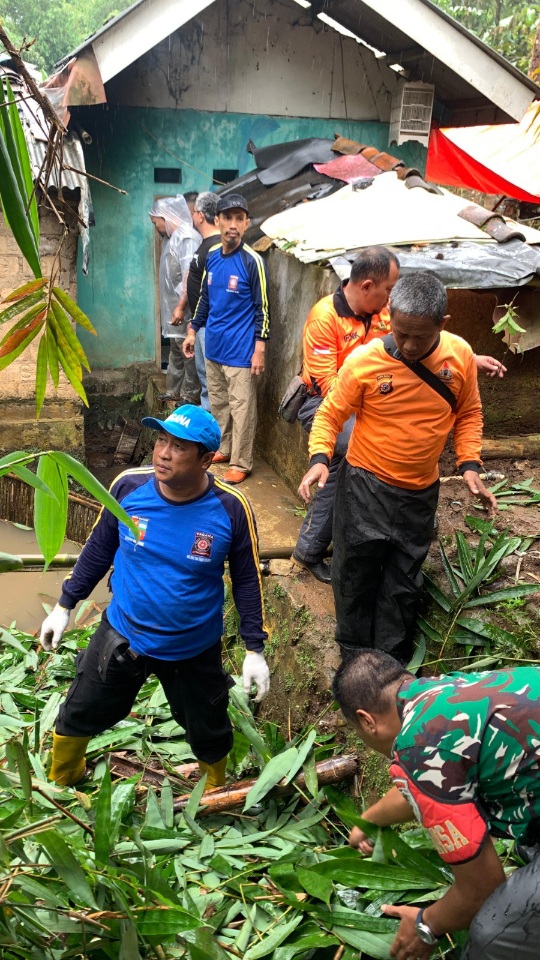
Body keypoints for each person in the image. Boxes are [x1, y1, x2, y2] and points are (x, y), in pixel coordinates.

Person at [39, 405, 270, 790]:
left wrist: (254, 649)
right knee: (79, 712)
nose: (163, 452)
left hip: (193, 646)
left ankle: (213, 790)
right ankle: (63, 779)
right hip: (124, 635)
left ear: (206, 459)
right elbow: (98, 548)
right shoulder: (129, 487)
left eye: (179, 447)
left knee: (209, 729)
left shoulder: (231, 508)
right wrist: (65, 605)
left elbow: (247, 580)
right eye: (161, 439)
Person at [299, 273, 497, 663]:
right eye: (401, 333)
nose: (407, 345)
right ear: (392, 318)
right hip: (363, 487)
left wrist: (469, 463)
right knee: (355, 573)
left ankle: (391, 660)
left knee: (403, 579)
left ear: (443, 323)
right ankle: (354, 656)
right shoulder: (367, 361)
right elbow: (330, 414)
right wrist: (320, 458)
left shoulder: (458, 357)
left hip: (419, 493)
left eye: (419, 337)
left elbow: (469, 412)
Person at [332, 650, 540, 960]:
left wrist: (426, 925)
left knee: (492, 933)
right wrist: (369, 821)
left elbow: (481, 888)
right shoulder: (448, 691)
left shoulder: (419, 747)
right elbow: (425, 785)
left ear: (366, 720)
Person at [292, 247, 400, 584]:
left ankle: (312, 550)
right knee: (365, 452)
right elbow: (328, 386)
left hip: (363, 403)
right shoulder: (325, 317)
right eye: (389, 289)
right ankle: (359, 543)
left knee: (338, 470)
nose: (390, 297)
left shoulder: (382, 315)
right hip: (321, 402)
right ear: (367, 285)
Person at [183, 193, 270, 485]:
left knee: (242, 408)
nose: (233, 225)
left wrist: (260, 347)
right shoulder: (212, 257)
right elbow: (205, 300)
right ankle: (224, 447)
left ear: (246, 224)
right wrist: (193, 330)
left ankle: (241, 462)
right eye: (228, 218)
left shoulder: (252, 262)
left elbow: (264, 308)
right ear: (217, 221)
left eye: (239, 219)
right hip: (214, 347)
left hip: (241, 351)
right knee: (219, 403)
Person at [149, 197, 201, 404]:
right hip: (175, 308)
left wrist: (181, 306)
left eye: (156, 222)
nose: (156, 227)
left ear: (166, 217)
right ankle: (173, 391)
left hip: (185, 308)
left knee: (187, 352)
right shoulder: (172, 238)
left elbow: (189, 274)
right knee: (176, 350)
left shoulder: (186, 237)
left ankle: (190, 395)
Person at [186, 192, 221, 413]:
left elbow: (211, 292)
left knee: (212, 381)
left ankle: (215, 433)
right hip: (201, 325)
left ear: (199, 215)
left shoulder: (216, 247)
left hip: (210, 325)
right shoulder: (206, 244)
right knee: (205, 379)